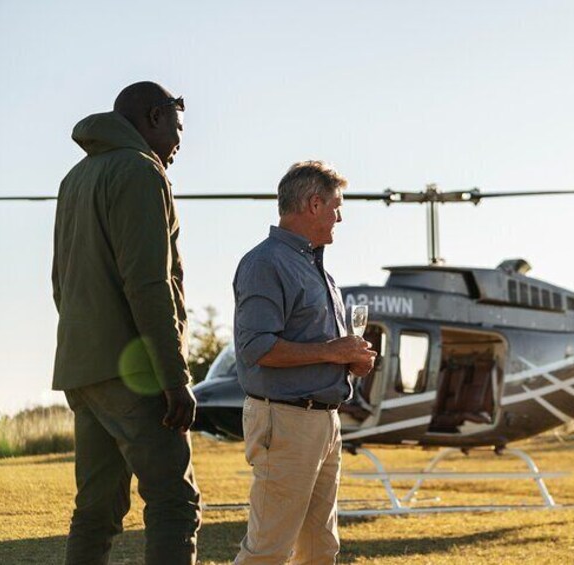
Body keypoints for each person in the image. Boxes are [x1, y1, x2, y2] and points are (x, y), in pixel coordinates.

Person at [52, 81, 201, 564]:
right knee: (175, 503)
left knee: (96, 510)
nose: (180, 141)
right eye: (177, 128)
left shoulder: (75, 178)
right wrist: (174, 378)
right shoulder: (141, 171)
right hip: (134, 374)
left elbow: (60, 282)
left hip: (83, 370)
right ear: (154, 117)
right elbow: (149, 284)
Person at [233, 161, 377, 564]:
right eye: (336, 206)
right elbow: (257, 348)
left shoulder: (317, 268)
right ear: (314, 204)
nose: (340, 217)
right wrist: (334, 351)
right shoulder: (266, 263)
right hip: (286, 421)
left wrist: (351, 362)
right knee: (269, 549)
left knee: (320, 548)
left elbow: (319, 346)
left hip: (323, 422)